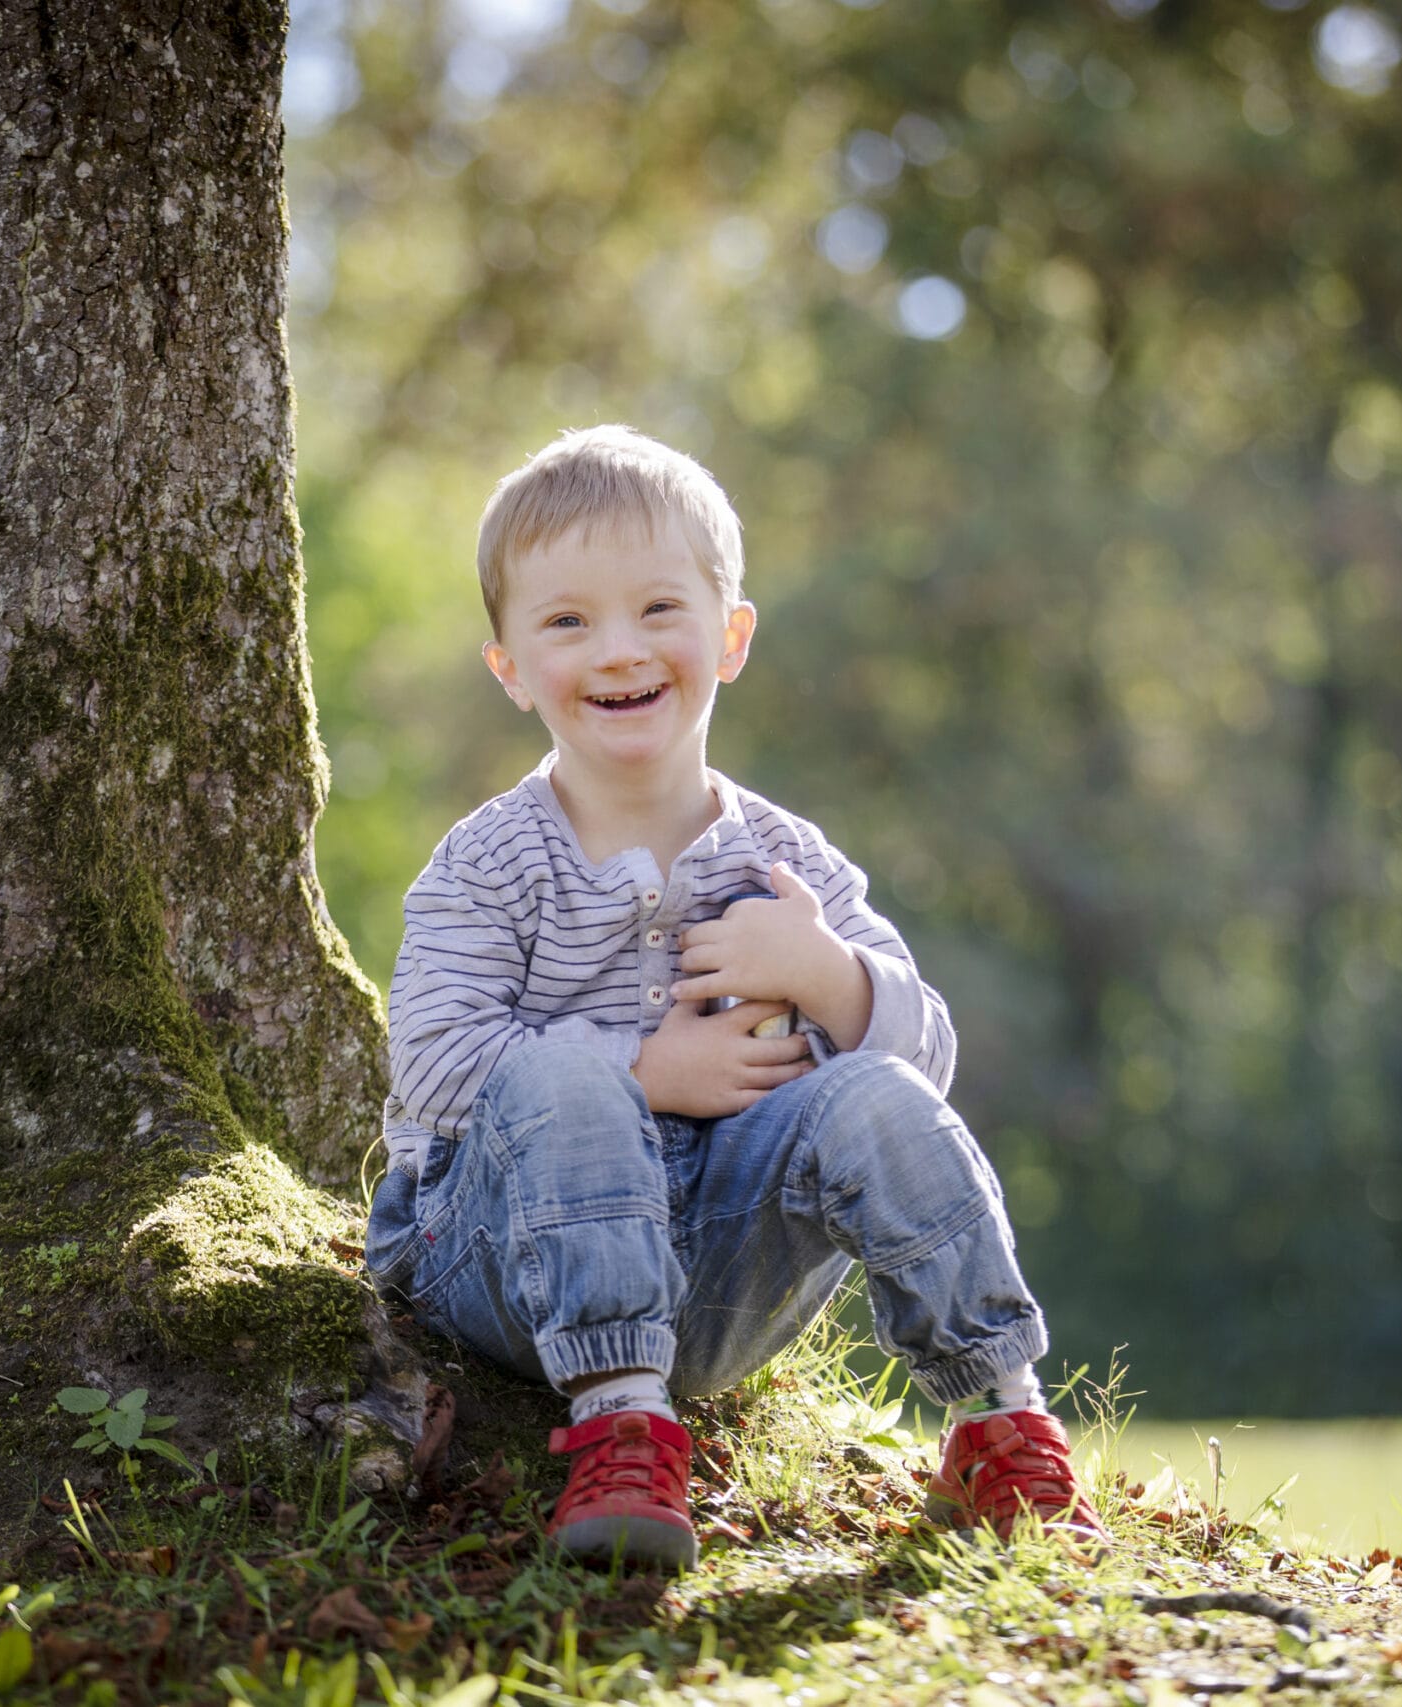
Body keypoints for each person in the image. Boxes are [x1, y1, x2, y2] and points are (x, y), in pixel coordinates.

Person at [363, 424, 1103, 1569]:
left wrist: (821, 972)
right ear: (508, 667)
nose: (619, 649)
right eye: (566, 621)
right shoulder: (485, 864)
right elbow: (433, 1064)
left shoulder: (784, 863)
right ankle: (620, 1429)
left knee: (872, 1098)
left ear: (731, 636)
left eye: (659, 608)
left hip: (718, 1279)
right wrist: (649, 1071)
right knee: (555, 1070)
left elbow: (928, 1062)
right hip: (502, 1269)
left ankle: (997, 1416)